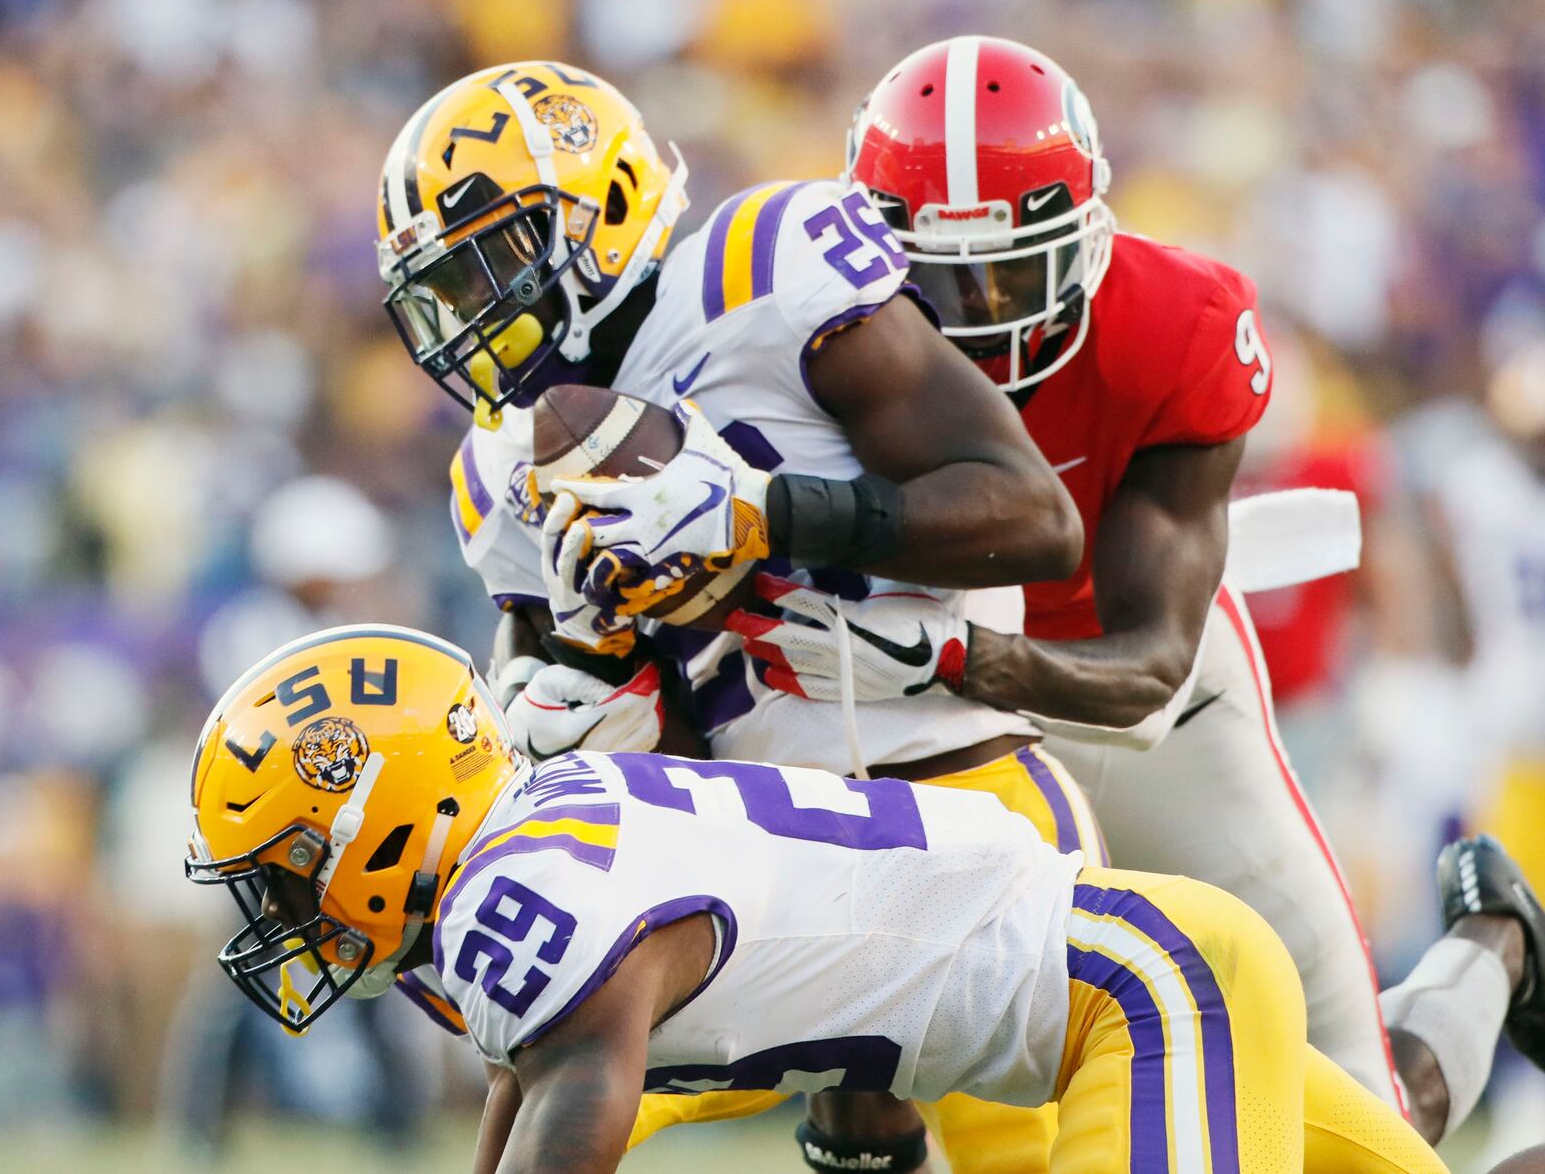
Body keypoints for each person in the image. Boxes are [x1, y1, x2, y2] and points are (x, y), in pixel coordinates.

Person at [725, 35, 1533, 1150]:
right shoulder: (781, 331)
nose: (976, 315)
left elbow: (1149, 665)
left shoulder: (1174, 325)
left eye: (1010, 271)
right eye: (937, 277)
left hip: (1146, 703)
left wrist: (956, 657)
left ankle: (1492, 946)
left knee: (1364, 1124)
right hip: (934, 731)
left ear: (1088, 235)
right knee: (939, 1084)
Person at [376, 60, 1100, 1167]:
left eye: (493, 265)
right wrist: (565, 694)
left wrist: (765, 511)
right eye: (449, 292)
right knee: (543, 1040)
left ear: (602, 206)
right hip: (762, 846)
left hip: (956, 786)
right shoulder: (501, 464)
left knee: (1064, 1141)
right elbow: (606, 708)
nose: (475, 315)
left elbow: (1035, 518)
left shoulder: (762, 268)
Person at [183, 625, 1545, 1173]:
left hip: (1139, 998)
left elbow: (574, 1114)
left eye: (289, 864)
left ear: (392, 819)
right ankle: (1498, 945)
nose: (280, 907)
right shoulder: (526, 867)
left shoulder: (522, 901)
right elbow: (527, 1073)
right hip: (1136, 975)